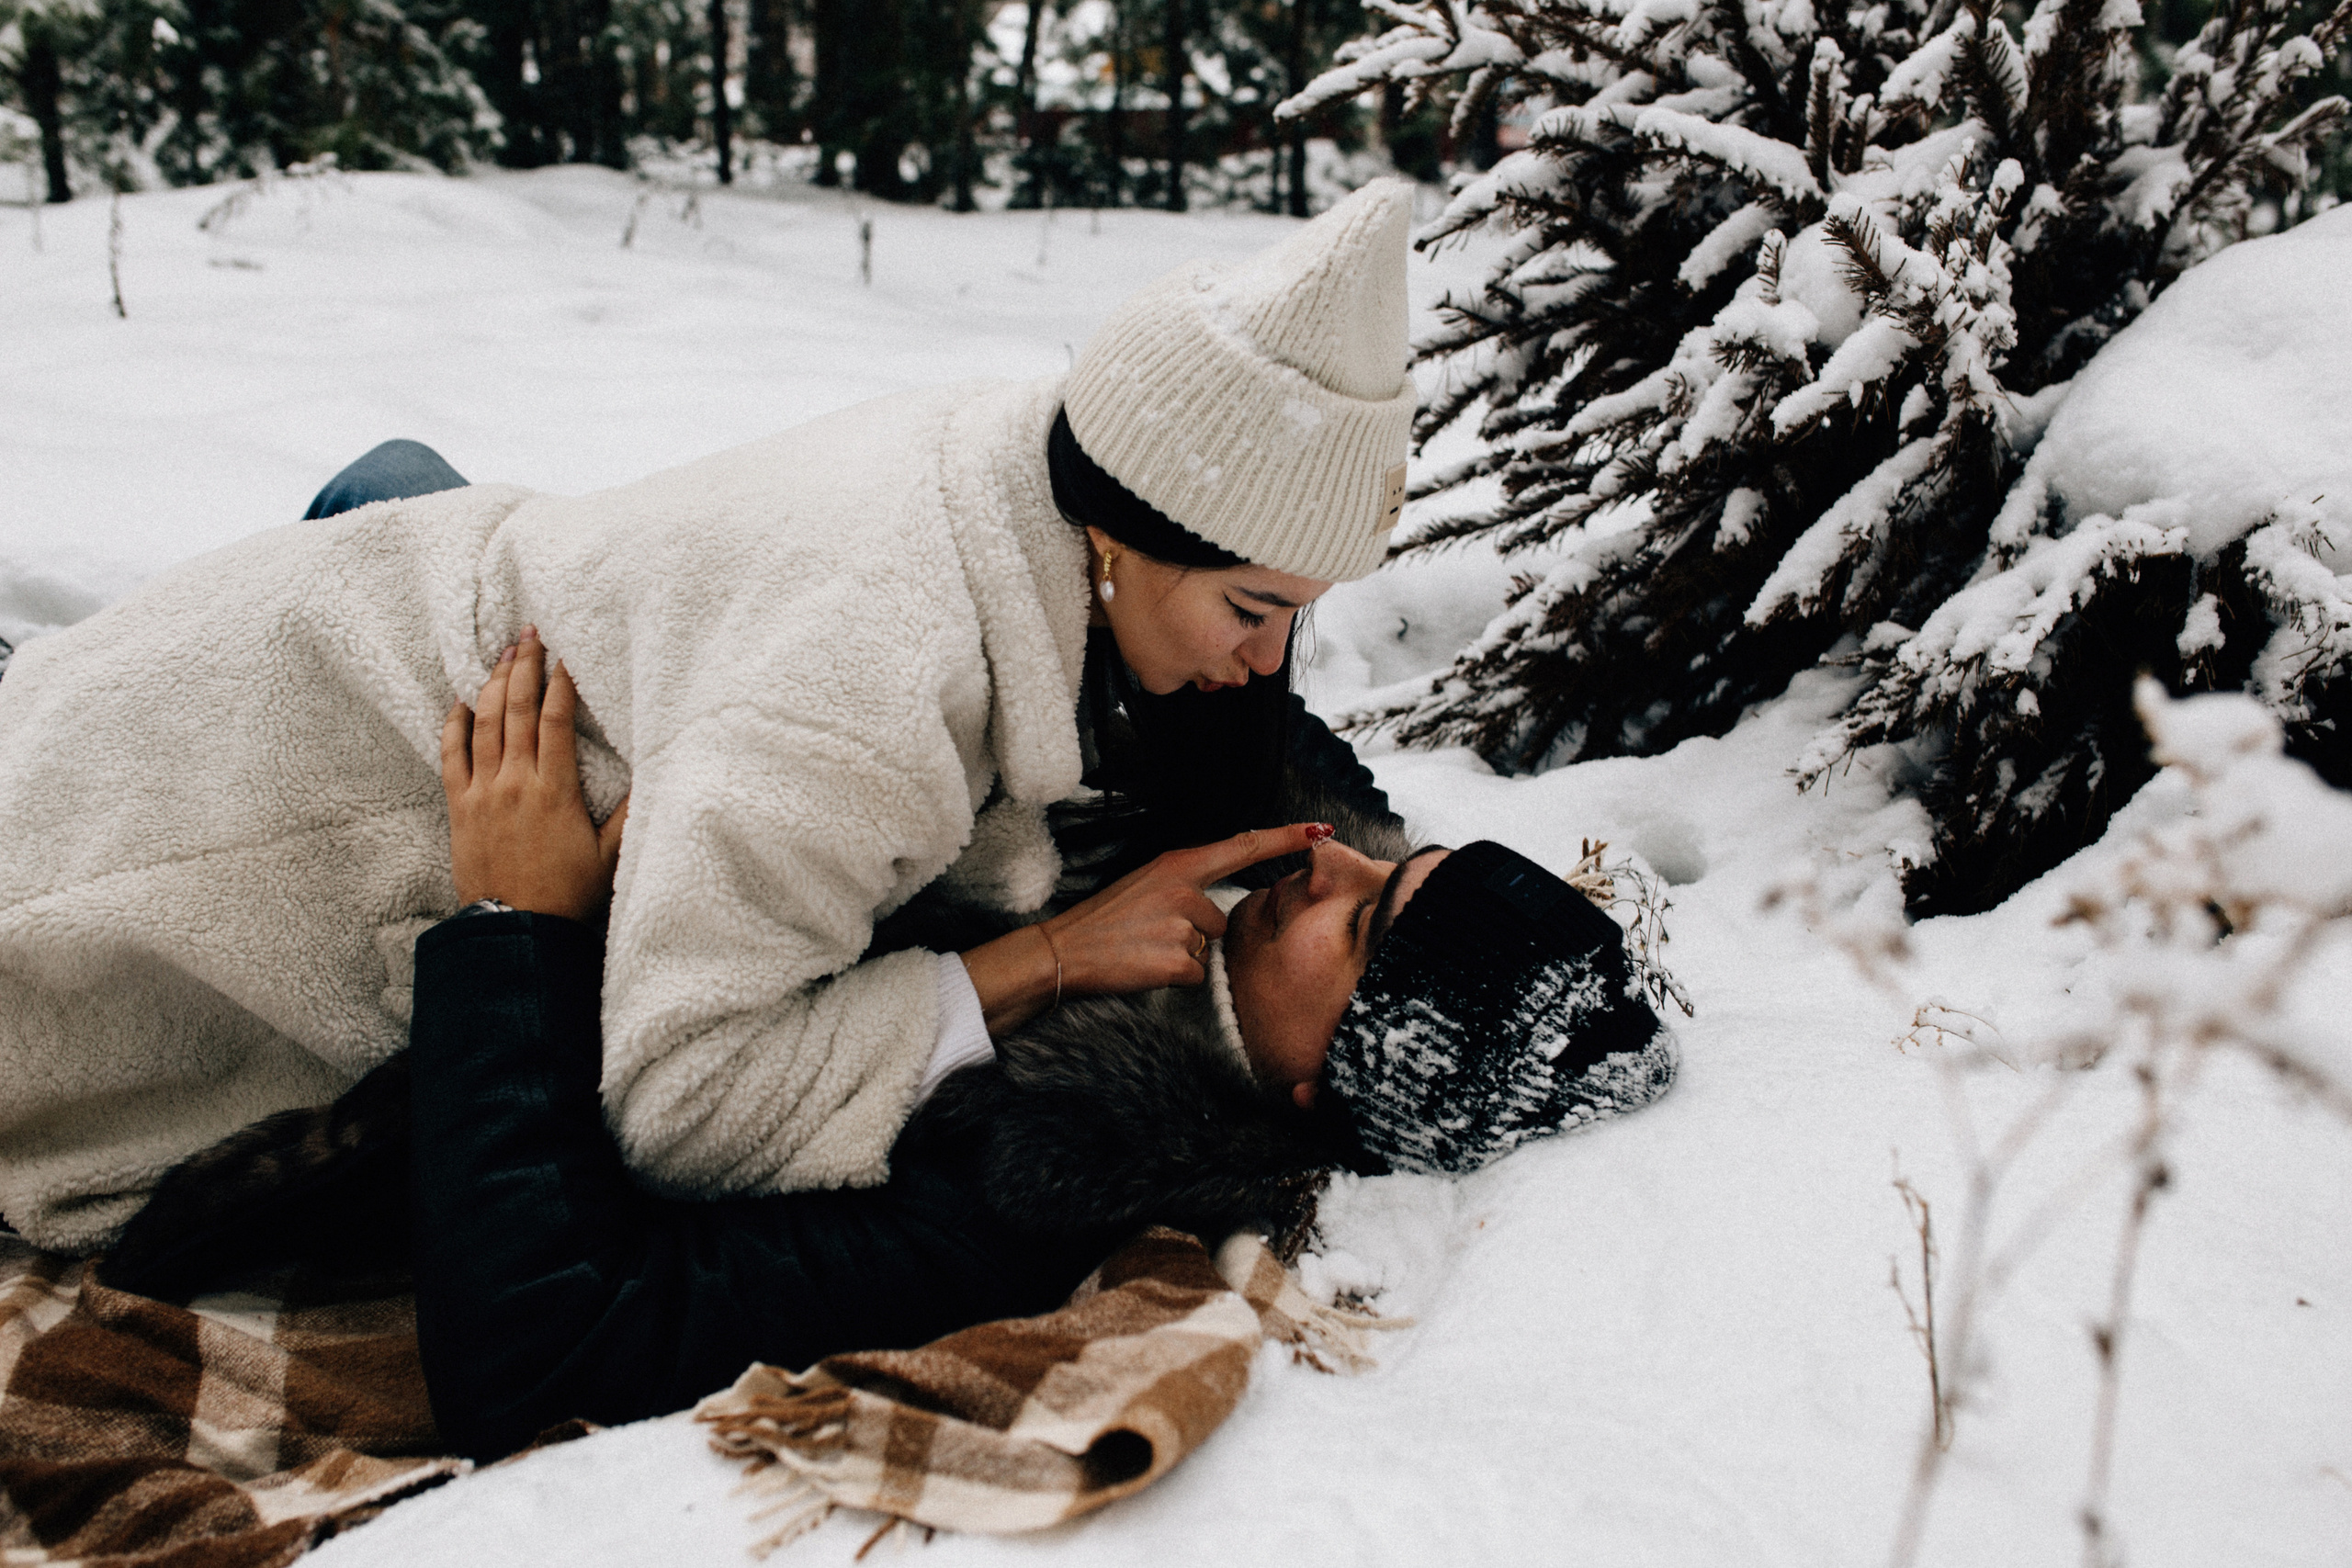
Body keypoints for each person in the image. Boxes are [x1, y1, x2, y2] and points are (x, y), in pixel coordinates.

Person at [0, 182, 1424, 1254]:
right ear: (1121, 538)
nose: (1270, 659)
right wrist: (1037, 962)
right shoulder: (872, 685)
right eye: (1251, 611)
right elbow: (685, 1099)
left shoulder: (1017, 470)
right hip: (190, 848)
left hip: (286, 652)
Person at [107, 645, 1678, 1458]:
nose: (1326, 864)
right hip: (601, 748)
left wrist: (522, 932)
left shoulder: (1030, 1176)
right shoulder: (1256, 825)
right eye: (1383, 859)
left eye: (1362, 927)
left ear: (1324, 1089)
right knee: (397, 508)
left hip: (428, 956)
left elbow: (543, 1347)